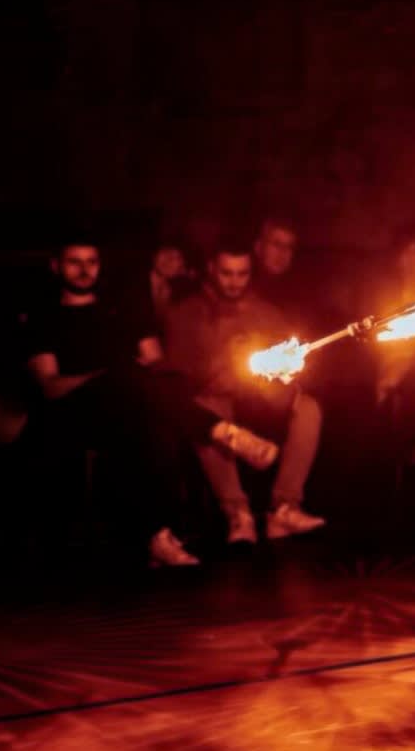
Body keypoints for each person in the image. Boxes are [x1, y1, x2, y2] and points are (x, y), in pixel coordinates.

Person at [24, 232, 278, 567]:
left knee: (152, 409)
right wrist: (108, 377)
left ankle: (159, 537)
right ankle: (222, 432)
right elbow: (49, 387)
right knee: (130, 381)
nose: (85, 270)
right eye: (75, 262)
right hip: (76, 410)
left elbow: (157, 364)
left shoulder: (118, 313)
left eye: (91, 262)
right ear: (56, 266)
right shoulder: (45, 319)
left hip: (130, 404)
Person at [165, 239, 325, 545]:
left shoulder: (265, 312)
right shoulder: (187, 313)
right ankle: (238, 514)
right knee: (208, 409)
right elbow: (179, 376)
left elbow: (282, 368)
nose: (234, 282)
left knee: (308, 407)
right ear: (212, 269)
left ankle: (284, 508)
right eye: (227, 273)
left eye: (242, 274)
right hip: (214, 400)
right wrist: (223, 362)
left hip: (259, 402)